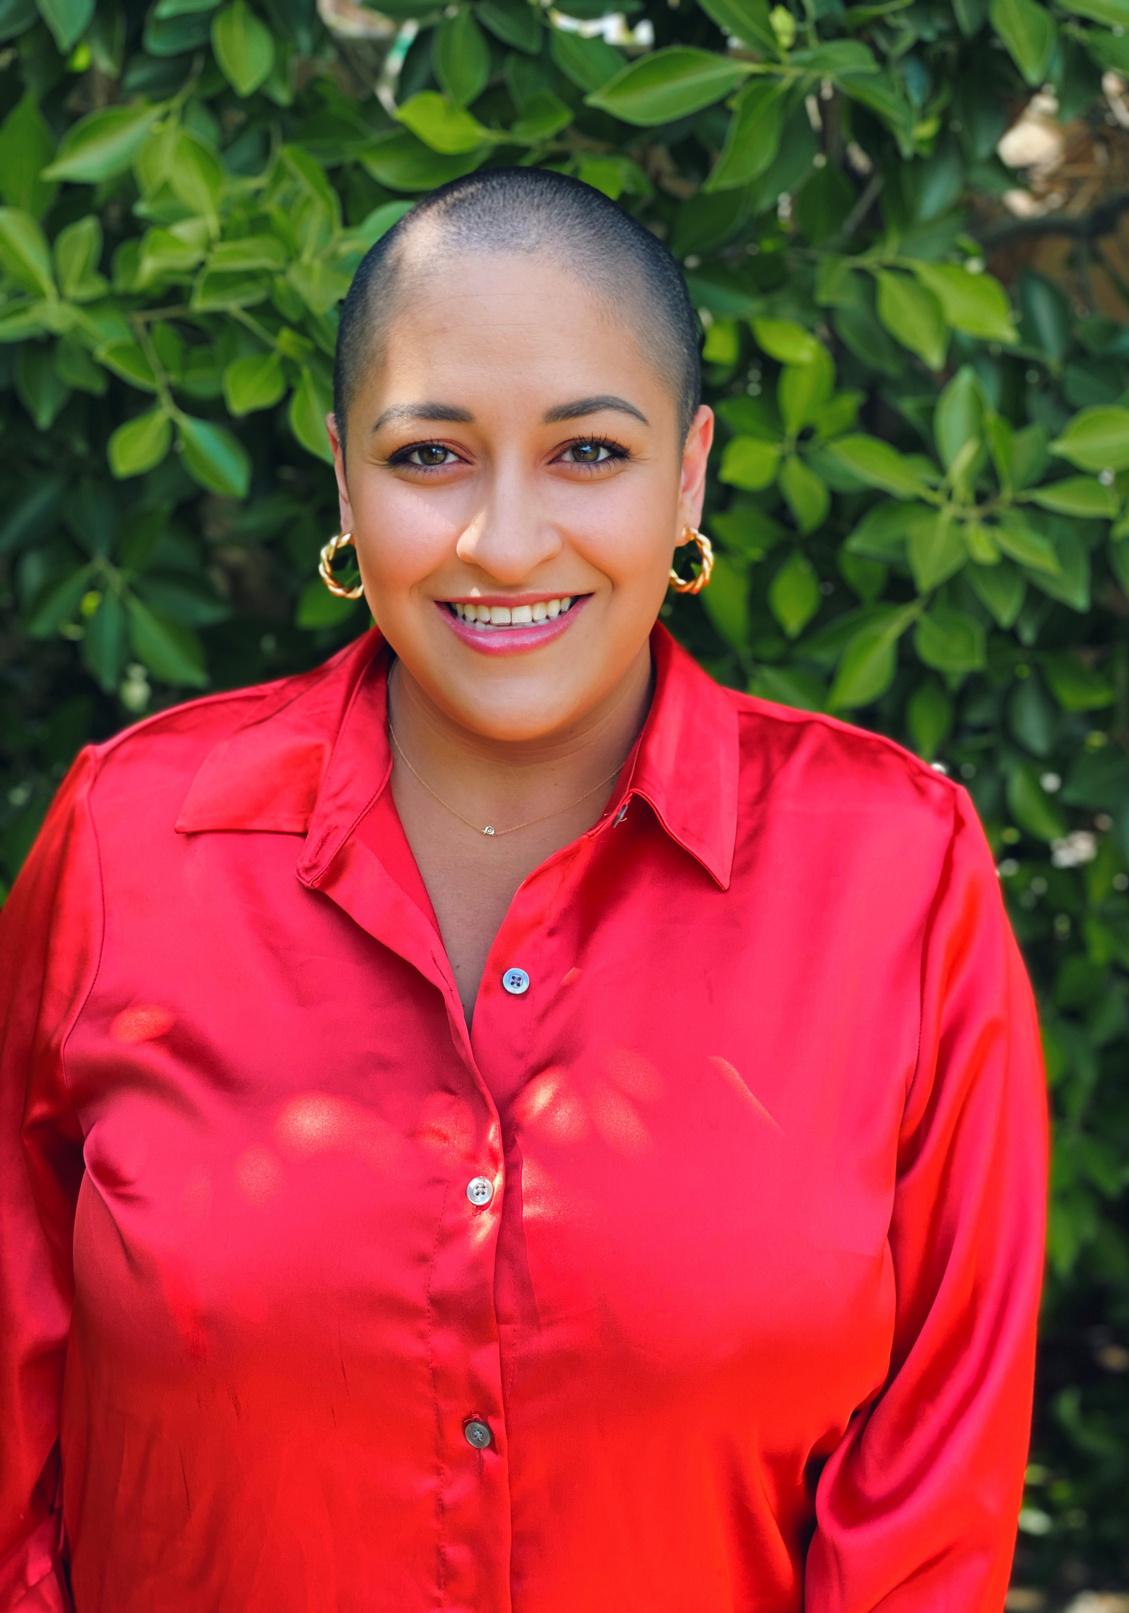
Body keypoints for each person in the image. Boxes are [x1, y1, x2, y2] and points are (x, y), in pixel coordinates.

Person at [0, 165, 1050, 1613]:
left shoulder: (894, 873)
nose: (503, 541)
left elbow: (930, 1517)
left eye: (588, 453)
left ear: (688, 473)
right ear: (344, 475)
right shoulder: (131, 840)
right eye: (430, 454)